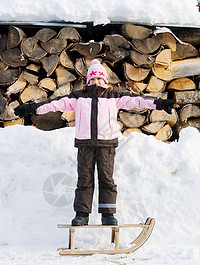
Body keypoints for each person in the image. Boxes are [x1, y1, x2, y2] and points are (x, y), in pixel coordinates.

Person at [14, 59, 174, 226]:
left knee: (106, 179)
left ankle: (108, 215)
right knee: (84, 179)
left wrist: (159, 103)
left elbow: (137, 100)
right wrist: (32, 108)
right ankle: (82, 214)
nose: (95, 82)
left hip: (107, 145)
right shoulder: (79, 97)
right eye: (92, 79)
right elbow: (55, 104)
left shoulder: (114, 96)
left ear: (105, 81)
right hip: (85, 145)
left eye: (99, 79)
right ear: (87, 81)